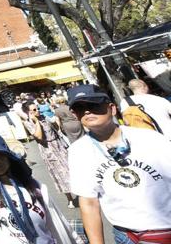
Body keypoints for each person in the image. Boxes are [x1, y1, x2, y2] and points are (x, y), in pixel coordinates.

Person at [65, 84, 171, 244]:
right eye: (80, 108)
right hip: (129, 236)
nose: (87, 111)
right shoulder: (78, 151)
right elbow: (89, 202)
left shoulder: (151, 138)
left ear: (112, 108)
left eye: (93, 105)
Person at [20, 101, 76, 208]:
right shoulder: (28, 123)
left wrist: (55, 121)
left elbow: (57, 129)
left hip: (59, 145)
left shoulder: (44, 117)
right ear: (28, 112)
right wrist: (36, 122)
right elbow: (39, 136)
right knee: (60, 174)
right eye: (35, 110)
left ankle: (82, 191)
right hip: (48, 149)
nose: (38, 111)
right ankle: (70, 199)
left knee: (71, 169)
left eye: (38, 108)